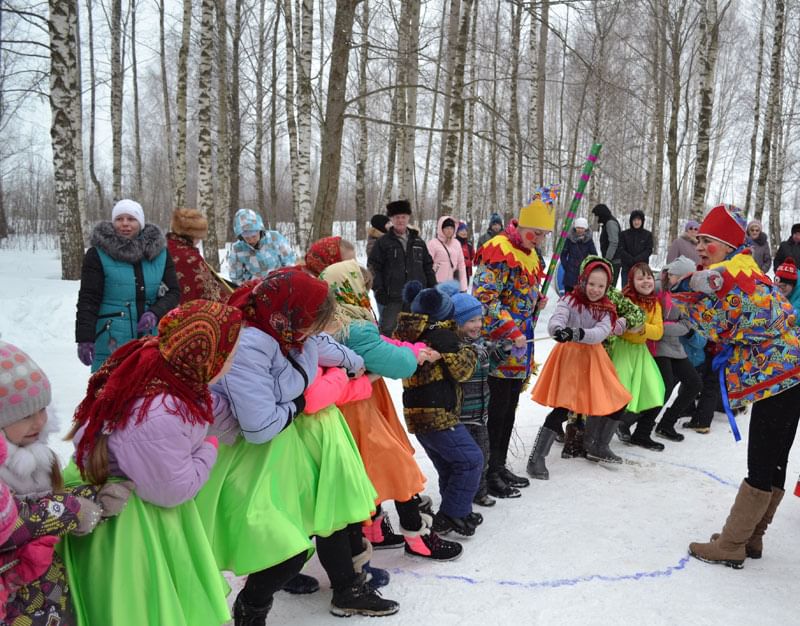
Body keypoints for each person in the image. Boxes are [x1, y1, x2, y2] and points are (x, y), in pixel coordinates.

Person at [196, 270, 398, 621]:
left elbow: (321, 344)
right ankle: (251, 608)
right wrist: (303, 403)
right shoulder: (249, 346)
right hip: (249, 453)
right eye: (312, 323)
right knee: (286, 543)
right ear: (291, 315)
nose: (313, 333)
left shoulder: (291, 330)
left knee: (317, 521)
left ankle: (332, 588)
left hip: (286, 440)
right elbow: (259, 427)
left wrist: (353, 363)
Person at [62, 300, 243, 626]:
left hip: (133, 485)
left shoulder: (170, 371)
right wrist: (209, 448)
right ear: (205, 354)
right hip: (122, 515)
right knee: (139, 604)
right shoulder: (164, 409)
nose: (234, 357)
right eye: (230, 351)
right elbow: (173, 490)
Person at [670, 203, 800, 569]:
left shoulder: (726, 274)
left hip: (779, 378)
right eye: (698, 240)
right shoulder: (746, 270)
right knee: (776, 457)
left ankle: (731, 544)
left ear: (726, 244)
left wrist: (682, 286)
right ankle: (751, 537)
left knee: (761, 457)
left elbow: (717, 324)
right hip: (791, 371)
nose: (699, 247)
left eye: (706, 241)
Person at [0, 341, 129, 625]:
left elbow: (46, 502)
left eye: (42, 409)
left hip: (47, 596)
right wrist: (74, 509)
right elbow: (15, 521)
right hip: (12, 606)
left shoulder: (36, 456)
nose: (38, 422)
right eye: (25, 415)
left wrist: (93, 497)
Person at [472, 198, 552, 498]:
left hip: (522, 345)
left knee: (509, 410)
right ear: (522, 225)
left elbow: (519, 296)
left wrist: (535, 304)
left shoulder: (531, 254)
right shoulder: (499, 249)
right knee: (495, 409)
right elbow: (485, 298)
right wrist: (509, 327)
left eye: (544, 235)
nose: (541, 240)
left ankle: (499, 464)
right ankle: (487, 472)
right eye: (537, 233)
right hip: (499, 345)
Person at [527, 257, 631, 479]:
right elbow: (557, 319)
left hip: (594, 359)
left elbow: (601, 332)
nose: (595, 290)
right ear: (584, 281)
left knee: (617, 398)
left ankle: (597, 445)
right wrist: (559, 329)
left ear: (607, 287)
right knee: (564, 408)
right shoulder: (570, 300)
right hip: (571, 359)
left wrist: (578, 333)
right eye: (592, 284)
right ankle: (537, 458)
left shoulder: (606, 309)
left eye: (601, 286)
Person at [394, 281, 481, 537]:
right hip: (438, 413)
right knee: (471, 460)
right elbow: (463, 371)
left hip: (420, 413)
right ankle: (451, 515)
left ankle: (459, 510)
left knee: (449, 464)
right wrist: (458, 352)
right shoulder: (441, 336)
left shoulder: (411, 332)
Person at [75, 199, 180, 372]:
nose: (125, 224)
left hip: (151, 338)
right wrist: (84, 338)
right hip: (111, 339)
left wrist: (155, 313)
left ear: (140, 222)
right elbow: (88, 299)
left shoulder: (159, 253)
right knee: (110, 392)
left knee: (148, 394)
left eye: (131, 219)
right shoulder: (97, 254)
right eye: (119, 219)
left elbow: (173, 292)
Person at [451, 291, 509, 507]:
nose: (476, 325)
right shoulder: (456, 348)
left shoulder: (480, 345)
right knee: (467, 460)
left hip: (481, 413)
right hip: (462, 414)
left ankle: (480, 491)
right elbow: (464, 371)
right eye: (470, 321)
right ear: (457, 323)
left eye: (478, 320)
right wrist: (481, 353)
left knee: (483, 456)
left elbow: (487, 369)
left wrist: (501, 353)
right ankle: (465, 495)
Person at [611, 263, 666, 451]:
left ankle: (639, 433)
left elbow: (658, 332)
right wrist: (631, 328)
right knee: (617, 392)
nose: (646, 281)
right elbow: (621, 330)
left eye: (649, 277)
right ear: (631, 281)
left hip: (640, 352)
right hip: (622, 350)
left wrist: (641, 328)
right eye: (640, 278)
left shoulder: (654, 303)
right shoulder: (624, 299)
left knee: (655, 390)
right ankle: (592, 433)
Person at [651, 257, 703, 442]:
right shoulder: (656, 288)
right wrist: (667, 327)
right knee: (662, 388)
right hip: (657, 346)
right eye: (679, 278)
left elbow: (688, 324)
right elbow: (654, 324)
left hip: (676, 348)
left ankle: (666, 423)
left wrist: (675, 327)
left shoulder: (687, 293)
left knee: (694, 383)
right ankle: (635, 423)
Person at [368, 199, 437, 336]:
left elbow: (427, 266)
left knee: (417, 331)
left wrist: (433, 286)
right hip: (392, 297)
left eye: (403, 217)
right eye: (397, 217)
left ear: (408, 218)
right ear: (391, 219)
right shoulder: (383, 242)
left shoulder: (418, 241)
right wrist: (379, 289)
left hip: (417, 297)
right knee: (388, 331)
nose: (400, 220)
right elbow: (373, 267)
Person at [167, 207, 234, 304]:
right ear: (193, 235)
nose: (199, 241)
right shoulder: (189, 257)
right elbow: (208, 290)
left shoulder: (166, 245)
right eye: (199, 237)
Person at [227, 208, 297, 284]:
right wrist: (245, 286)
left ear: (260, 230)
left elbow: (289, 262)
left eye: (254, 236)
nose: (251, 240)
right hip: (254, 289)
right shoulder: (238, 249)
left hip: (279, 283)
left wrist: (286, 280)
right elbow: (236, 278)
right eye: (247, 237)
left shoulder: (275, 238)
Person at [428, 216, 468, 292]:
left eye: (451, 228)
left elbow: (461, 265)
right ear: (441, 229)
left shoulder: (457, 244)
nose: (449, 231)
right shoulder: (433, 243)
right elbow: (427, 265)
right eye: (446, 228)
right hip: (437, 284)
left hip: (452, 285)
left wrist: (463, 287)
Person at [560, 217, 597, 293]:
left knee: (580, 296)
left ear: (585, 229)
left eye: (582, 228)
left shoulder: (589, 240)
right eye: (578, 227)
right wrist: (566, 266)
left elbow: (594, 255)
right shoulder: (569, 239)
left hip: (583, 272)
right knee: (568, 296)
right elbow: (563, 254)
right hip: (570, 272)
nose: (580, 230)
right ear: (575, 227)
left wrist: (588, 267)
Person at [619, 210, 654, 288]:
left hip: (642, 268)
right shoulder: (624, 234)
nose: (636, 222)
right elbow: (621, 249)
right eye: (634, 220)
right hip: (627, 268)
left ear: (642, 221)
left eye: (638, 220)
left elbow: (649, 250)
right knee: (626, 290)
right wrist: (630, 259)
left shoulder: (647, 235)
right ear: (631, 221)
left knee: (641, 290)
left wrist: (637, 259)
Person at [591, 203, 622, 285]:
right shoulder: (607, 223)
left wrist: (607, 260)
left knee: (609, 287)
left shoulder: (610, 223)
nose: (597, 218)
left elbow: (614, 242)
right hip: (612, 261)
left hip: (613, 261)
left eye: (597, 216)